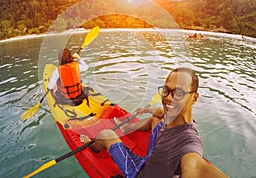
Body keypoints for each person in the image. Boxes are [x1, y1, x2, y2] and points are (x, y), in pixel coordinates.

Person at [81, 67, 229, 178]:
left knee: (106, 134)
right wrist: (146, 111)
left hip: (139, 172)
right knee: (156, 119)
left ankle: (93, 145)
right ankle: (127, 128)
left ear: (194, 98)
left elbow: (195, 166)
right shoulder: (175, 118)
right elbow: (159, 113)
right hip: (150, 160)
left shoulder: (189, 142)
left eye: (178, 93)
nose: (169, 98)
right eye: (166, 91)